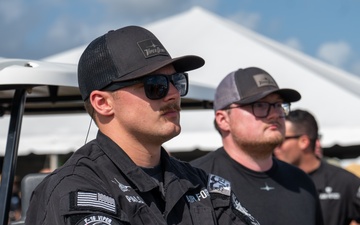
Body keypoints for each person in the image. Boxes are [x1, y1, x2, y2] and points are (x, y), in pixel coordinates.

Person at [25, 26, 259, 225]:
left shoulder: (205, 187)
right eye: (155, 85)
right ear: (103, 103)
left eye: (177, 81)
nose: (175, 94)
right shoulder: (76, 191)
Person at [191, 67, 324, 225]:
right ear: (223, 120)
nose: (275, 113)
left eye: (278, 105)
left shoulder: (302, 182)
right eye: (260, 105)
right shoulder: (196, 182)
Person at [274, 109, 360, 225]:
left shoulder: (344, 181)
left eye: (281, 141)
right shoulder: (271, 181)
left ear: (303, 141)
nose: (275, 147)